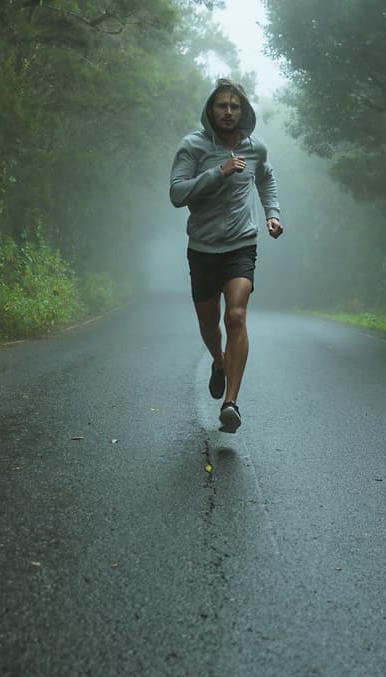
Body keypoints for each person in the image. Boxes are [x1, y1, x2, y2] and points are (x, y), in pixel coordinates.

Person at [169, 79, 283, 433]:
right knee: (209, 323)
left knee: (235, 316)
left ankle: (231, 402)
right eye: (222, 106)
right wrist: (218, 172)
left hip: (241, 243)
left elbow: (266, 178)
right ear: (211, 110)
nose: (229, 112)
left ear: (243, 109)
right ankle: (218, 362)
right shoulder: (193, 146)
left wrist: (272, 213)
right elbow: (177, 194)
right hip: (202, 247)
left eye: (234, 106)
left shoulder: (255, 149)